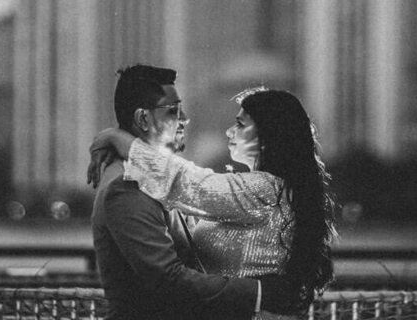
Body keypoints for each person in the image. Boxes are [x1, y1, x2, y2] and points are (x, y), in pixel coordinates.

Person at [90, 87, 336, 318]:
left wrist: (115, 138)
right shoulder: (264, 190)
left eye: (240, 124)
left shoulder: (264, 189)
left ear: (267, 135)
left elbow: (190, 184)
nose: (229, 131)